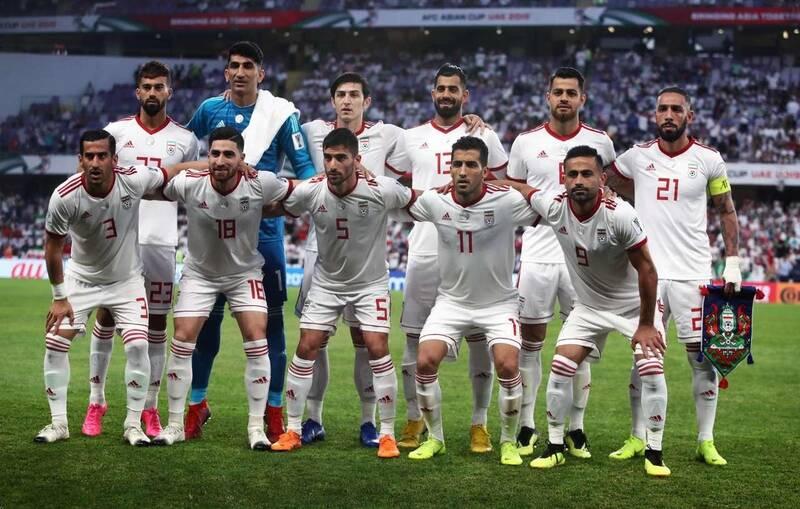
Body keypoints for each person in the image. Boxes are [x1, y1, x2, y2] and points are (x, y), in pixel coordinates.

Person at [504, 145, 670, 476]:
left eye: (587, 174)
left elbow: (648, 270)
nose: (579, 180)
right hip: (590, 306)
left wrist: (646, 324)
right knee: (560, 366)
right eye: (572, 174)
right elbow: (523, 189)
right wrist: (489, 182)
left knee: (651, 368)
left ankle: (654, 452)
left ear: (602, 179)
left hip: (633, 307)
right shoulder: (555, 208)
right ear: (564, 178)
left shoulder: (620, 214)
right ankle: (555, 446)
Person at [185, 41, 316, 442]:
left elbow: (307, 176)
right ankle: (196, 404)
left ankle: (273, 411)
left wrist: (272, 206)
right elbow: (184, 150)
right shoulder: (210, 110)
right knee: (206, 324)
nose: (240, 72)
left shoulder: (281, 115)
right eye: (234, 66)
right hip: (213, 240)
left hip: (264, 241)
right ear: (226, 72)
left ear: (261, 73)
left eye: (248, 66)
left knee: (270, 326)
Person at [606, 86, 741, 466]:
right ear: (655, 115)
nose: (668, 115)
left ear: (689, 116)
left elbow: (726, 209)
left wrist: (732, 262)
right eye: (662, 109)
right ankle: (637, 437)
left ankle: (705, 440)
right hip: (647, 274)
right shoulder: (637, 156)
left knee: (702, 359)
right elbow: (606, 180)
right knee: (643, 357)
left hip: (693, 276)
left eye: (676, 109)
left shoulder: (709, 160)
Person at [37, 129, 189, 446]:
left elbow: (173, 171)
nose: (95, 162)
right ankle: (59, 423)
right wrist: (59, 297)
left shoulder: (132, 180)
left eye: (102, 156)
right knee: (55, 343)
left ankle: (132, 425)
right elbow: (52, 248)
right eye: (89, 156)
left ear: (114, 159)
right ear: (80, 160)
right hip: (81, 280)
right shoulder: (64, 195)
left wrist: (211, 165)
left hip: (126, 282)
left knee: (137, 345)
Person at [269, 128, 412, 459]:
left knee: (376, 346)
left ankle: (386, 434)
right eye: (328, 158)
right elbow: (278, 206)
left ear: (356, 160)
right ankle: (294, 429)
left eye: (341, 158)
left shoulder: (381, 189)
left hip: (370, 284)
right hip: (327, 283)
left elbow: (417, 201)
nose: (332, 165)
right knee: (307, 345)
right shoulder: (312, 190)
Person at [153, 127, 292, 450]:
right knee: (182, 338)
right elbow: (153, 185)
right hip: (200, 275)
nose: (220, 160)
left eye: (229, 154)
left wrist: (270, 208)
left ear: (242, 158)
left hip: (244, 274)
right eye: (214, 153)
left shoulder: (260, 182)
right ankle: (175, 425)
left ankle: (256, 428)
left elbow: (299, 194)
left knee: (257, 336)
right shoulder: (191, 183)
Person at [82, 60, 200, 439]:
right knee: (106, 315)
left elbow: (190, 187)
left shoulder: (186, 139)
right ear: (137, 91)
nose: (152, 92)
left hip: (162, 239)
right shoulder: (116, 132)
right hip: (119, 239)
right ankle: (96, 401)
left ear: (169, 92)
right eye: (146, 86)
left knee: (157, 324)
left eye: (158, 86)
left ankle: (149, 407)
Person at [398, 136, 530, 466]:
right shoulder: (435, 201)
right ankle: (436, 438)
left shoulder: (506, 201)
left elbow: (546, 204)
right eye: (457, 164)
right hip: (451, 303)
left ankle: (508, 442)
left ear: (485, 171)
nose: (462, 171)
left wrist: (513, 185)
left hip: (498, 304)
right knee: (425, 361)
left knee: (508, 364)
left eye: (471, 165)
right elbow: (399, 199)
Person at [398, 63, 508, 452]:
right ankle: (414, 417)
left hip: (474, 252)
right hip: (425, 249)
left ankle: (479, 423)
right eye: (441, 88)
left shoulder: (484, 135)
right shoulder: (410, 138)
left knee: (479, 337)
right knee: (414, 339)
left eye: (453, 89)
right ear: (433, 93)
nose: (446, 94)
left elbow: (502, 184)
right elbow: (398, 186)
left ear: (465, 95)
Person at [507, 67, 616, 458]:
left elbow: (611, 189)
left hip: (584, 259)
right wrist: (538, 196)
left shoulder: (601, 142)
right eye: (558, 92)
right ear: (548, 96)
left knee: (579, 342)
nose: (564, 98)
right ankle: (527, 424)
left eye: (571, 92)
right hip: (538, 252)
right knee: (530, 342)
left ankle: (576, 428)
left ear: (582, 98)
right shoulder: (526, 142)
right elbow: (511, 185)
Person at [296, 72, 408, 447]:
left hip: (364, 253)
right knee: (315, 339)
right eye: (340, 94)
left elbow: (421, 164)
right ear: (332, 101)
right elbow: (284, 155)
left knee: (366, 339)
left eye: (354, 95)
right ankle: (312, 418)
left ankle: (368, 422)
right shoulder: (310, 131)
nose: (347, 100)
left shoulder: (388, 134)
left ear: (366, 101)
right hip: (320, 250)